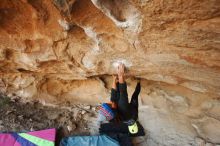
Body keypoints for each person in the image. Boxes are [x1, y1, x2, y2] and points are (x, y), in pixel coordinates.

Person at [99, 63, 145, 137]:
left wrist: (114, 79)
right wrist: (121, 75)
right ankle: (139, 82)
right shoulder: (122, 107)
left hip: (126, 117)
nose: (109, 102)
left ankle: (119, 80)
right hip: (131, 112)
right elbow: (123, 90)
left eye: (108, 103)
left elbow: (113, 91)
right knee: (134, 96)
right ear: (113, 108)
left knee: (116, 92)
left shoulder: (112, 108)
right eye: (109, 104)